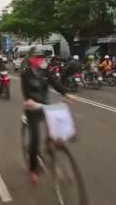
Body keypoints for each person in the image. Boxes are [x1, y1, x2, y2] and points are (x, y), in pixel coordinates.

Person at [21, 53, 76, 185]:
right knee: (35, 140)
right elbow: (26, 91)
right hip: (33, 108)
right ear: (31, 60)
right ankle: (33, 170)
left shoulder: (45, 73)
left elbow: (56, 84)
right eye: (36, 58)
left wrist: (66, 94)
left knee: (59, 131)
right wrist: (28, 100)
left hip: (45, 106)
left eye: (41, 58)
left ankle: (52, 148)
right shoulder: (26, 74)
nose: (40, 60)